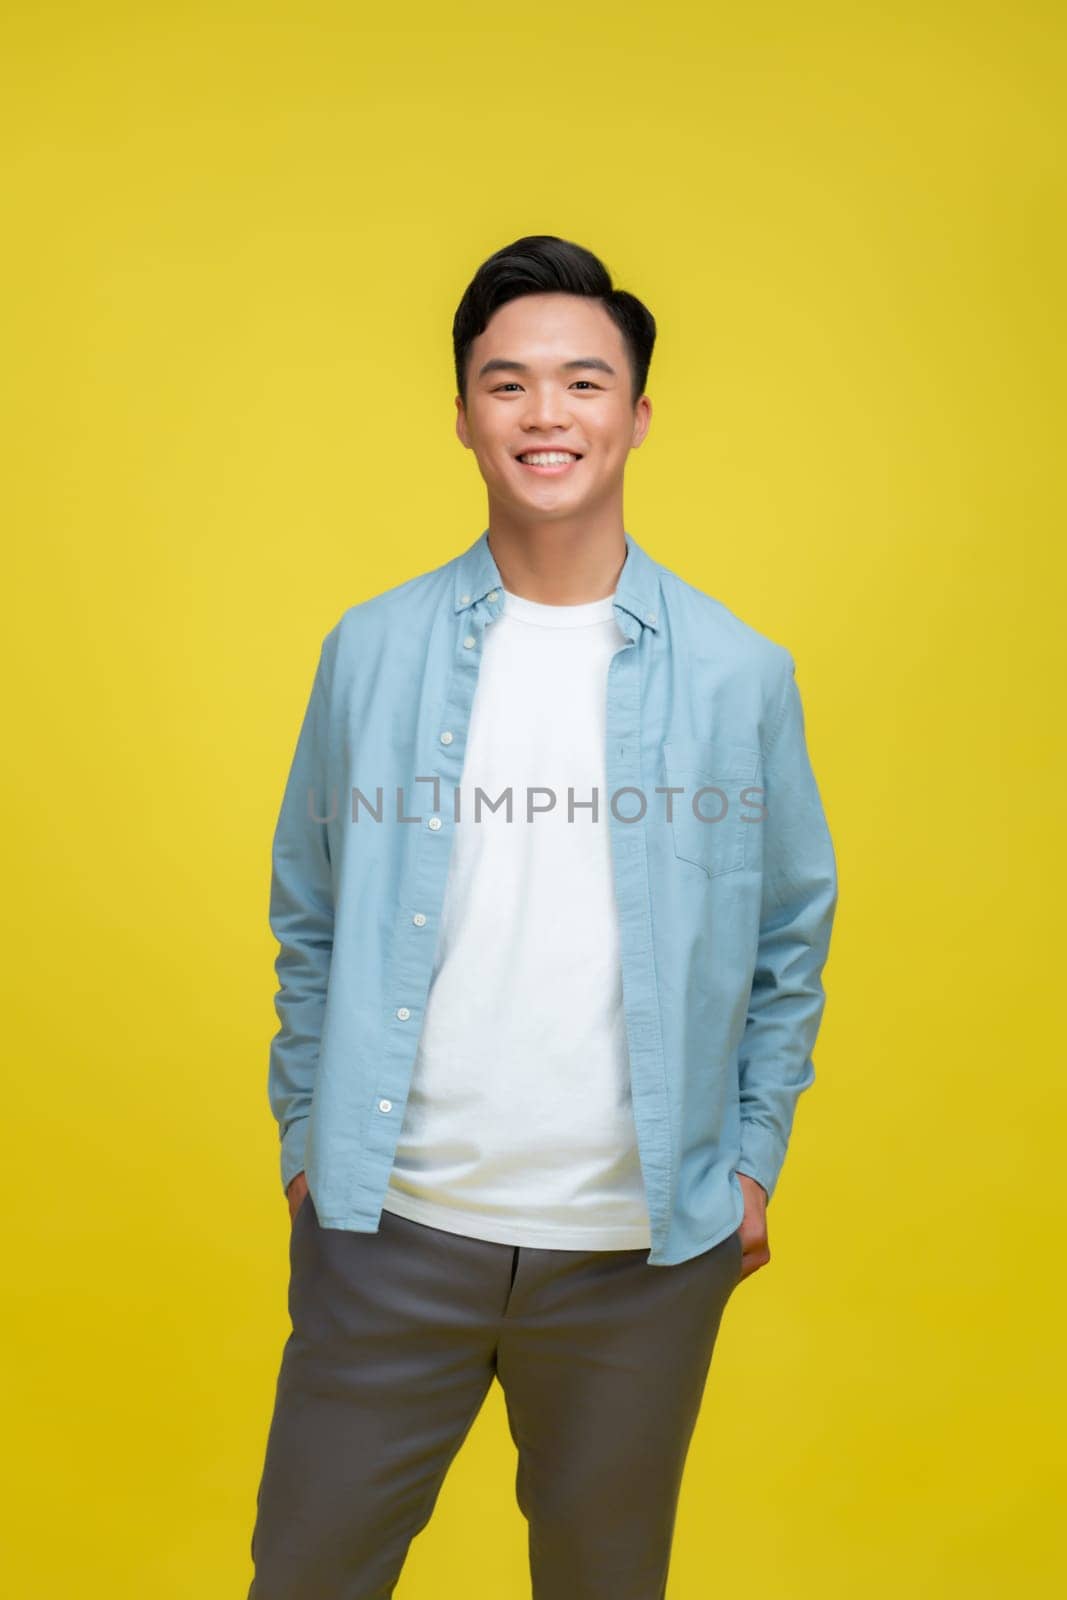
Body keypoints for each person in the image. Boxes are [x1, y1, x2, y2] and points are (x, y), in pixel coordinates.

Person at [246, 234, 839, 1600]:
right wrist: (303, 1141)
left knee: (602, 1584)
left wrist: (750, 1158)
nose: (545, 414)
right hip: (386, 1229)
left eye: (583, 381)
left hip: (638, 1258)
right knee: (308, 1574)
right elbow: (310, 915)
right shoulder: (373, 648)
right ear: (463, 413)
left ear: (635, 415)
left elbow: (788, 940)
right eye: (507, 384)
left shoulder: (742, 673)